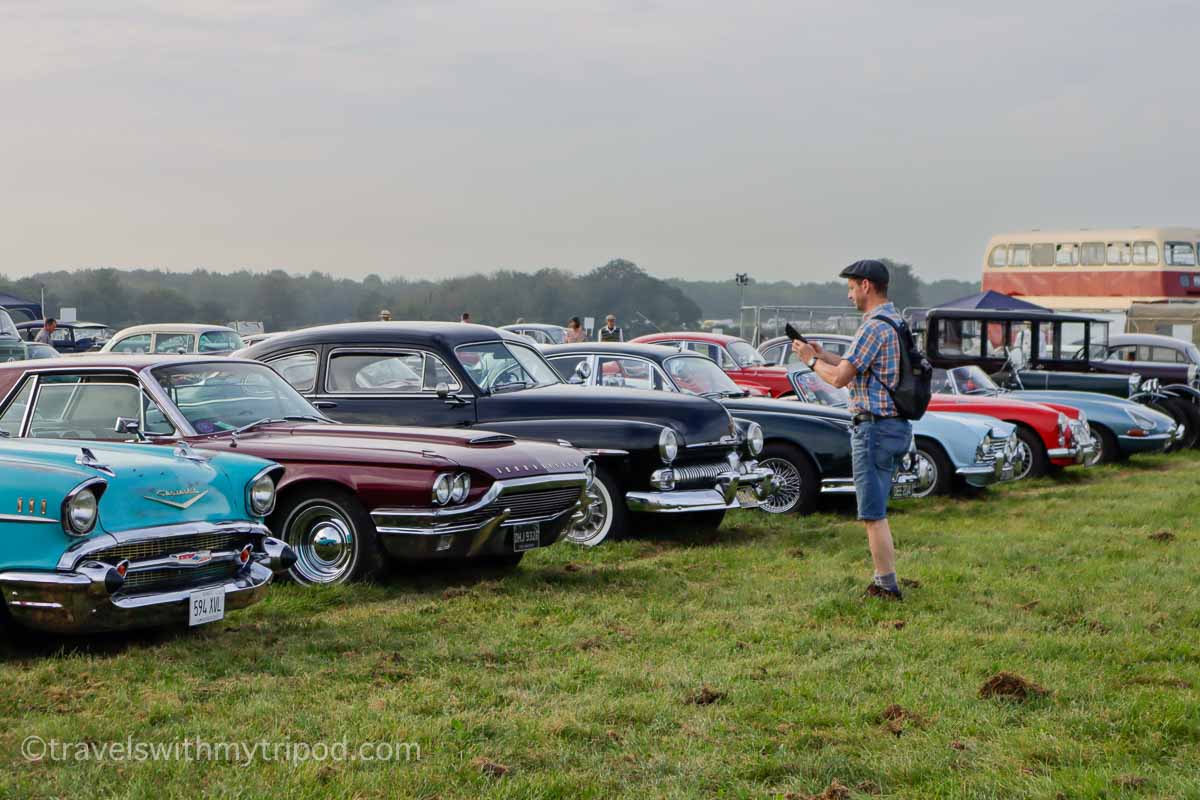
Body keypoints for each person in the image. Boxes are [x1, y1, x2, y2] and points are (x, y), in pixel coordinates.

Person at [791, 259, 912, 600]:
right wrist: (822, 353)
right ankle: (885, 579)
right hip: (894, 427)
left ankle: (886, 585)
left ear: (866, 286)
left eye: (850, 287)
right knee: (878, 510)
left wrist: (810, 362)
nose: (849, 295)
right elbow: (854, 366)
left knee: (873, 514)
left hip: (873, 429)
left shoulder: (873, 326)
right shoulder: (896, 321)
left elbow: (840, 378)